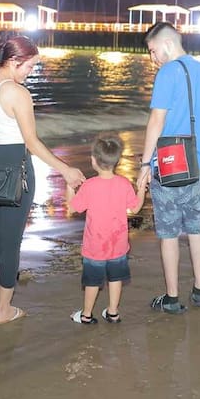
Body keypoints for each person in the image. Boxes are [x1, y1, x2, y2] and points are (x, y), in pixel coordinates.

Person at [0, 36, 84, 325]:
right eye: (30, 66)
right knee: (12, 242)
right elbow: (31, 142)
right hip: (16, 171)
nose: (31, 72)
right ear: (15, 61)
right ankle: (4, 310)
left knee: (0, 233)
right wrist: (66, 170)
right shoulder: (18, 93)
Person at [136, 22, 200, 315]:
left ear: (168, 44)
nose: (153, 57)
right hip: (197, 164)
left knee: (169, 233)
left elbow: (157, 121)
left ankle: (172, 298)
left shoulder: (168, 73)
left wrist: (145, 163)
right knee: (196, 228)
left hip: (170, 164)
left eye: (153, 50)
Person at [65, 133, 147, 325]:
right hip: (118, 244)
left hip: (95, 246)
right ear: (116, 161)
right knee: (115, 278)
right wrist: (142, 189)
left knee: (93, 281)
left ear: (93, 160)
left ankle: (86, 314)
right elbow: (135, 208)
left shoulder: (89, 186)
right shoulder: (124, 184)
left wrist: (69, 187)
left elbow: (72, 207)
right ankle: (112, 312)